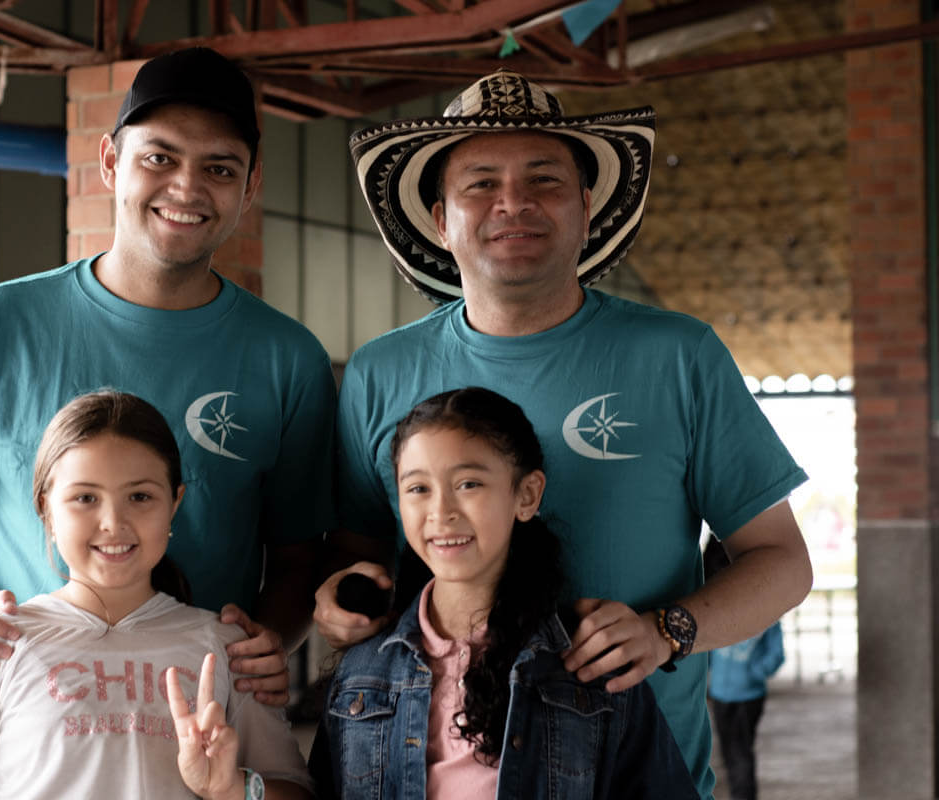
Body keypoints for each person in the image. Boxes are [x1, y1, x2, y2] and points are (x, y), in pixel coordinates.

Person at [314, 69, 813, 797]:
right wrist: (341, 600)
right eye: (480, 184)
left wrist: (667, 629)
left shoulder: (676, 355)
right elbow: (363, 559)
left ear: (586, 206)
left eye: (544, 180)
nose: (512, 202)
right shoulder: (380, 372)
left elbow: (782, 563)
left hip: (646, 773)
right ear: (439, 217)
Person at [0, 47, 336, 704]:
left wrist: (271, 640)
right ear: (109, 162)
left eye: (218, 167)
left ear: (250, 184)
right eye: (159, 158)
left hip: (199, 719)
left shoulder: (288, 357)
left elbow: (298, 558)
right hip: (30, 708)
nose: (187, 187)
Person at [0, 390, 311, 799]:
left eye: (140, 497)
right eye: (85, 498)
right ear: (45, 507)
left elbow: (298, 791)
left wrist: (230, 788)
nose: (113, 522)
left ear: (175, 504)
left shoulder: (227, 650)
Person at [308, 388, 698, 798]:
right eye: (418, 489)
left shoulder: (593, 666)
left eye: (469, 483)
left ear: (526, 495)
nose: (441, 511)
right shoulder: (363, 670)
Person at [704, 537, 784, 800]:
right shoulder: (713, 607)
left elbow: (776, 654)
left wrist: (753, 673)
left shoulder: (766, 608)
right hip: (720, 693)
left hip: (748, 694)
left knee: (740, 756)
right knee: (733, 754)